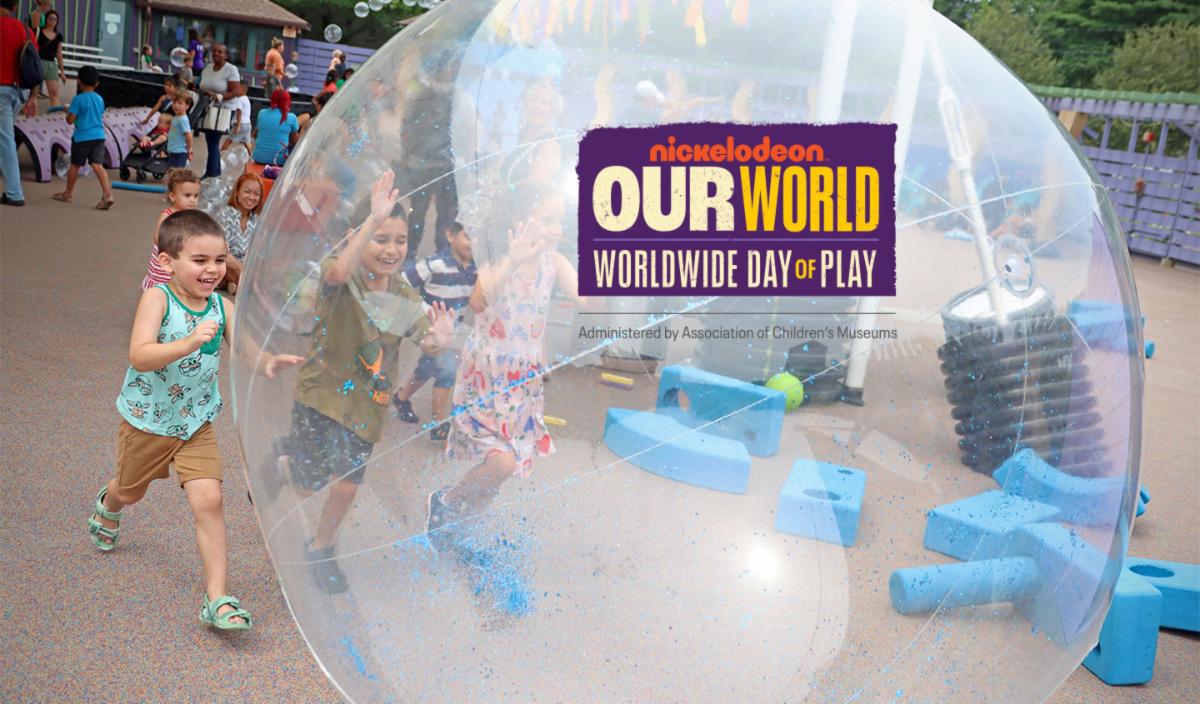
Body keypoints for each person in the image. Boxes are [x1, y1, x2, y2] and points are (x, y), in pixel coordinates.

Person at [86, 208, 302, 631]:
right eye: (200, 260)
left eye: (219, 260)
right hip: (148, 422)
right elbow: (139, 355)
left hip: (195, 423)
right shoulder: (157, 298)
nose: (212, 270)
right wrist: (187, 343)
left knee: (210, 500)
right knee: (131, 491)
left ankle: (217, 598)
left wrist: (267, 361)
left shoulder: (222, 306)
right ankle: (109, 504)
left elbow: (244, 349)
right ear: (168, 262)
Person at [273, 170, 454, 593]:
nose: (391, 249)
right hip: (321, 395)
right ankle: (285, 462)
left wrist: (439, 340)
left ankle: (320, 546)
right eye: (380, 238)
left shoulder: (403, 295)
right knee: (307, 483)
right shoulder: (344, 276)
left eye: (400, 241)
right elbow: (337, 273)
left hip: (366, 406)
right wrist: (372, 218)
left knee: (345, 486)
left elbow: (424, 339)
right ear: (357, 236)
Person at [428, 184, 584, 549]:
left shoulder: (554, 263)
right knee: (501, 463)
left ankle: (462, 533)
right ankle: (445, 502)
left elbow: (588, 297)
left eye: (559, 221)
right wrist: (513, 261)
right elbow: (478, 302)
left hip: (521, 385)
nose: (556, 229)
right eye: (547, 220)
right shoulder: (499, 260)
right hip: (486, 379)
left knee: (500, 470)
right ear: (520, 220)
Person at [392, 222, 476, 439]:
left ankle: (401, 398)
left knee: (427, 368)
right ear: (451, 235)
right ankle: (439, 423)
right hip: (432, 329)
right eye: (467, 236)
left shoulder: (476, 268)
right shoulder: (435, 265)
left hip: (453, 330)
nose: (472, 243)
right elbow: (401, 284)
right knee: (447, 371)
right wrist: (422, 311)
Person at [51, 65, 115, 209]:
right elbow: (98, 115)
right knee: (97, 165)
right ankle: (107, 194)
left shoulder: (78, 100)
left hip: (82, 138)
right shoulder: (100, 99)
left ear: (79, 81)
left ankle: (68, 193)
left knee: (75, 165)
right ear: (96, 83)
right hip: (99, 136)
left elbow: (70, 120)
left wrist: (68, 111)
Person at [0, 0, 36, 206]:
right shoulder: (26, 30)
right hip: (19, 91)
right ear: (14, 7)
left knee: (5, 140)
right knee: (4, 137)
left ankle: (14, 193)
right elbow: (35, 63)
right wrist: (33, 97)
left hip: (1, 90)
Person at [142, 168, 200, 290]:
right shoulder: (167, 215)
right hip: (165, 263)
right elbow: (158, 238)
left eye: (196, 196)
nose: (192, 200)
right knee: (161, 290)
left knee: (179, 288)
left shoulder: (192, 217)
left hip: (180, 261)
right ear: (172, 196)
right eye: (187, 195)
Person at [213, 171, 263, 292]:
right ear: (237, 193)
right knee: (225, 265)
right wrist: (243, 271)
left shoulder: (257, 220)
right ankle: (245, 283)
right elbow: (222, 253)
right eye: (247, 192)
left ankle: (233, 283)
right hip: (227, 263)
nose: (251, 197)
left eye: (256, 194)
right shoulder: (224, 215)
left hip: (246, 266)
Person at [197, 43, 240, 178]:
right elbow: (200, 84)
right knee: (210, 140)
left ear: (226, 55)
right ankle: (213, 173)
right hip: (208, 107)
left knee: (213, 140)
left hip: (224, 109)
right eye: (214, 51)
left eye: (220, 52)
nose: (216, 53)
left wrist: (218, 96)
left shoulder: (231, 70)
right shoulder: (207, 68)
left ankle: (212, 174)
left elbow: (236, 91)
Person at [251, 89, 298, 167]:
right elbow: (294, 141)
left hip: (259, 158)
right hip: (279, 161)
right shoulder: (292, 117)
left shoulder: (262, 113)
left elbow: (255, 134)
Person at [36, 9, 63, 112]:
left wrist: (62, 70)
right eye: (50, 18)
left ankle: (56, 115)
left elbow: (59, 53)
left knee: (54, 93)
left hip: (52, 65)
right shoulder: (39, 31)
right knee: (34, 93)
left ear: (57, 22)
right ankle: (30, 115)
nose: (52, 21)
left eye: (55, 19)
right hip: (39, 62)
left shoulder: (58, 36)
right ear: (46, 19)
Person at [220, 81, 252, 153]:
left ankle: (220, 155)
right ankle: (252, 157)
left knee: (229, 140)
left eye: (237, 88)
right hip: (248, 124)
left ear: (243, 89)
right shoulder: (246, 99)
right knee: (247, 142)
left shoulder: (240, 99)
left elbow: (239, 113)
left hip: (241, 124)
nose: (236, 90)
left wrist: (238, 126)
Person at [164, 92, 193, 168]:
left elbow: (188, 135)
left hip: (179, 153)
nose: (176, 105)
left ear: (187, 106)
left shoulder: (182, 120)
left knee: (176, 173)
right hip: (174, 151)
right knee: (171, 172)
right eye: (174, 102)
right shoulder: (177, 117)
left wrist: (189, 149)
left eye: (180, 103)